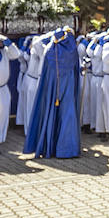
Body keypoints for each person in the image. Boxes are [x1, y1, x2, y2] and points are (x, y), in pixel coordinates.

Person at [24, 28, 82, 159]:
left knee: (52, 116)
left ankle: (51, 147)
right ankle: (68, 149)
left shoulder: (50, 49)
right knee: (68, 116)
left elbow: (39, 44)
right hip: (67, 91)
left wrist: (52, 35)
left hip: (53, 90)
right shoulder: (72, 50)